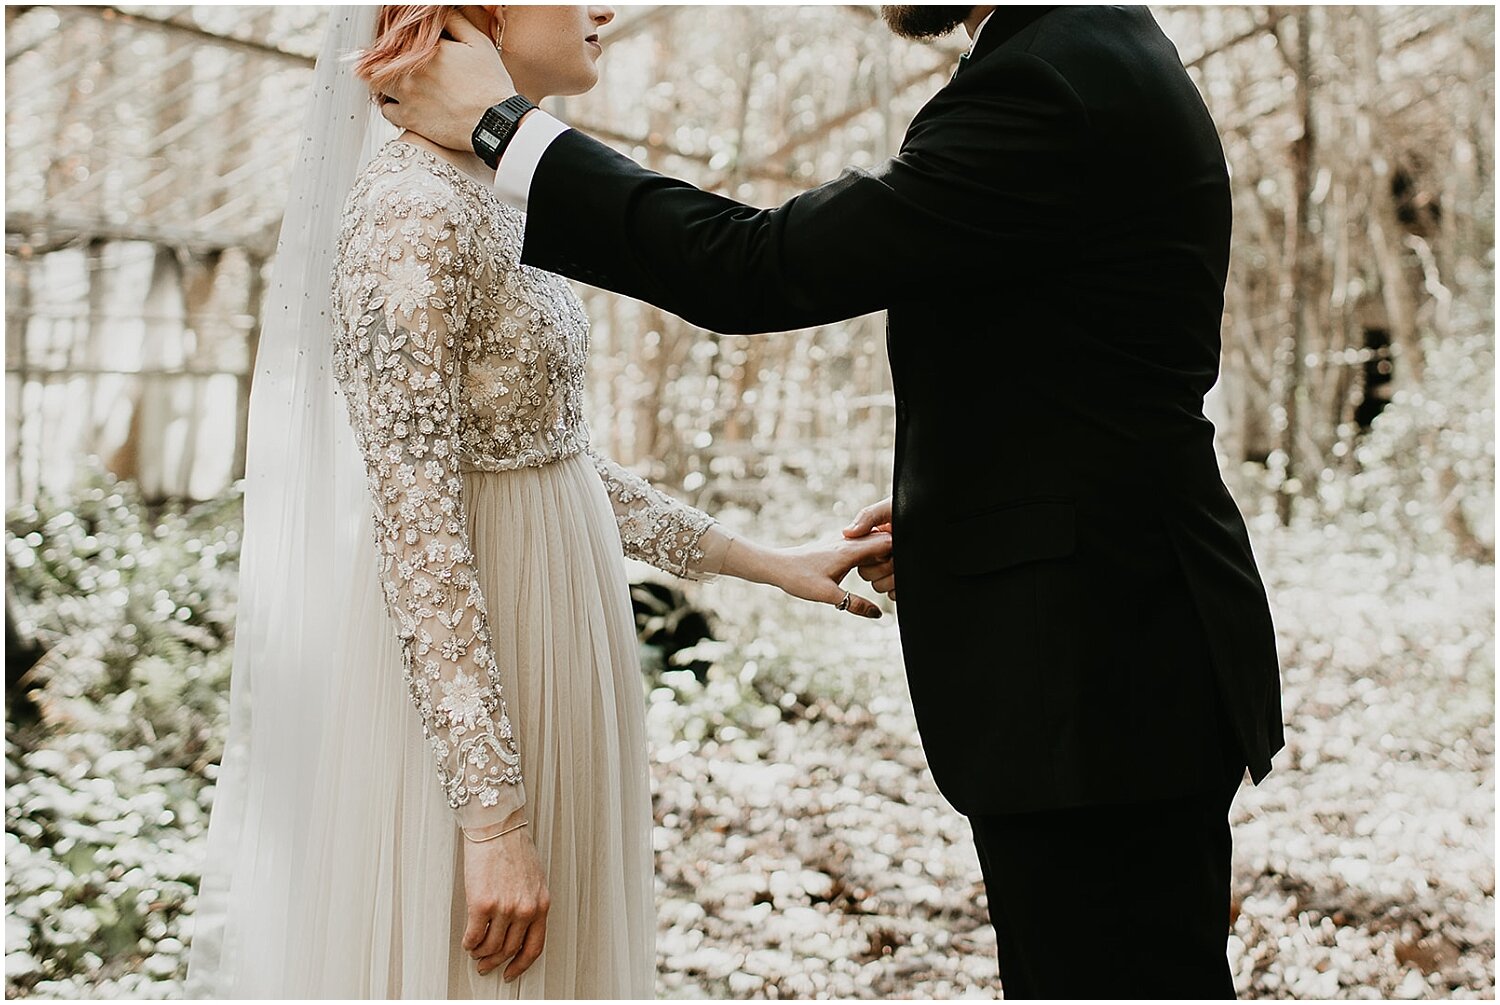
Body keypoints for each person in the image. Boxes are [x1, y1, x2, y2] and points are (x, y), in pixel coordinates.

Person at [380, 4, 1287, 998]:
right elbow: (1073, 354)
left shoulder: (1048, 78)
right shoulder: (1086, 50)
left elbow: (758, 268)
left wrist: (507, 128)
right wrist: (965, 514)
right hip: (1117, 646)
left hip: (1101, 671)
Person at [186, 6, 890, 998]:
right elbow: (417, 523)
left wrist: (767, 562)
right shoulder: (409, 215)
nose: (606, 7)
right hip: (478, 682)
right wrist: (491, 821)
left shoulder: (504, 190)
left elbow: (554, 460)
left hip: (567, 643)